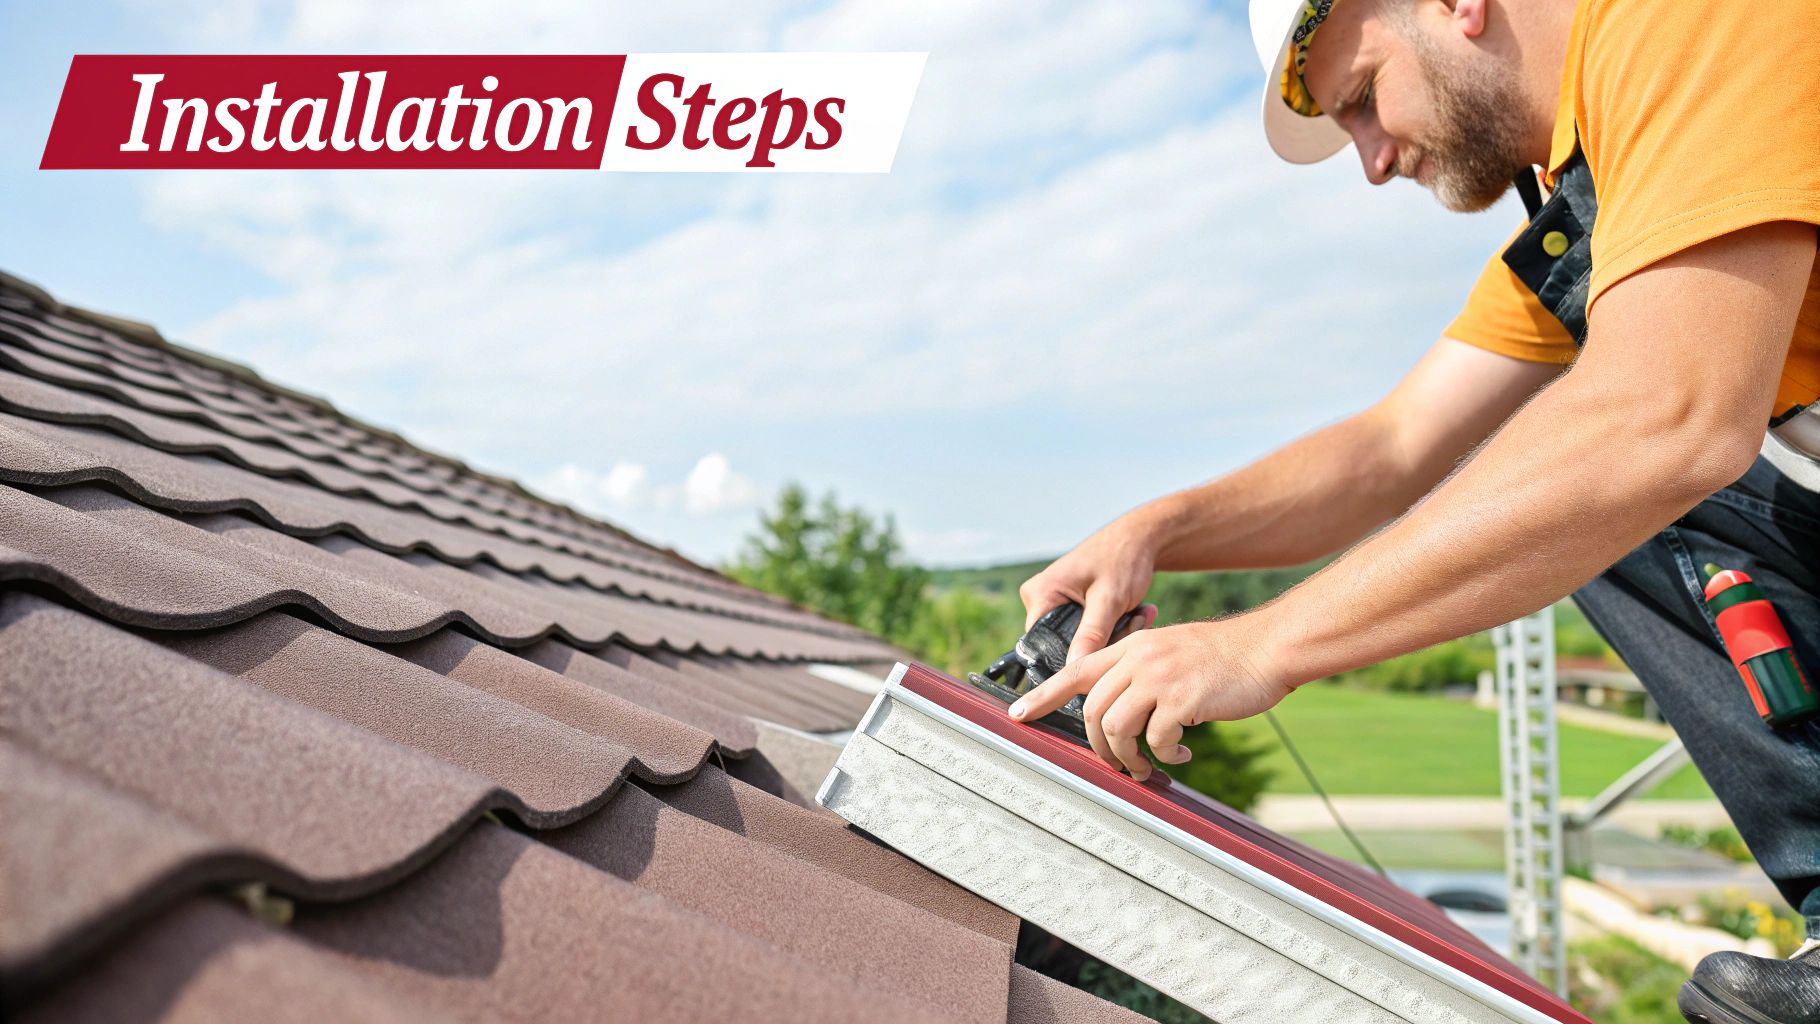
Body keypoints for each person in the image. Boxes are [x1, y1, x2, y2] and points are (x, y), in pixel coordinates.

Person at [1006, 1, 1820, 1019]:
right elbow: (1390, 449)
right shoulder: (1598, 189)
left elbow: (1664, 418)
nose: (1373, 160)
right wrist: (1157, 528)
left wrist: (1257, 646)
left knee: (1598, 476)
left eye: (1360, 98)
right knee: (1558, 489)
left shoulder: (1693, 21)